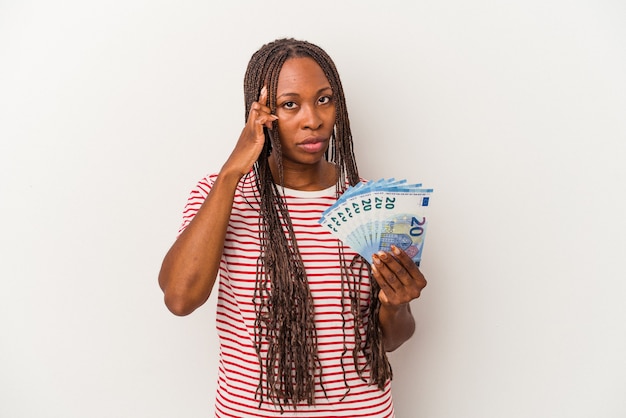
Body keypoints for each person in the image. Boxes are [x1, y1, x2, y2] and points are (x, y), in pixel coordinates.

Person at [158, 38, 427, 417]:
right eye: (289, 104)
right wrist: (231, 172)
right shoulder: (220, 194)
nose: (313, 120)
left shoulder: (372, 206)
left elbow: (392, 340)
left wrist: (396, 305)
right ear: (260, 113)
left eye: (324, 99)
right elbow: (180, 298)